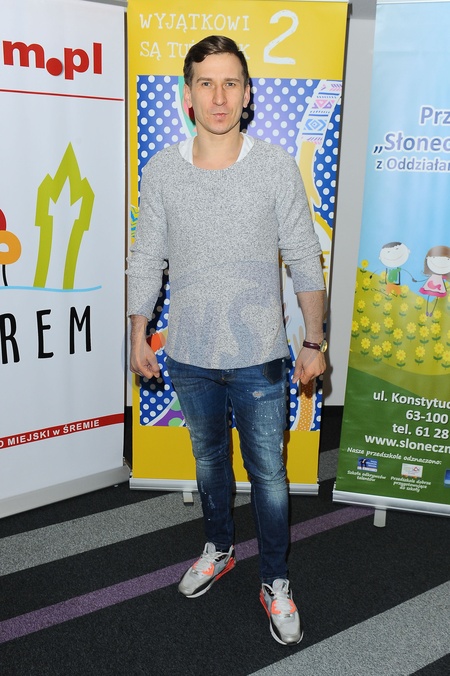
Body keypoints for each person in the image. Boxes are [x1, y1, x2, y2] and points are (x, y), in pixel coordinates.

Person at [127, 35, 327, 646]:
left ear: (247, 95)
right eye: (206, 83)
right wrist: (138, 333)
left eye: (231, 83)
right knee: (209, 462)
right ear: (188, 95)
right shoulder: (162, 170)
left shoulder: (275, 167)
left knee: (269, 475)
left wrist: (314, 342)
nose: (219, 96)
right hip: (188, 354)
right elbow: (147, 257)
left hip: (260, 356)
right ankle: (219, 547)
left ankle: (275, 580)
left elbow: (303, 256)